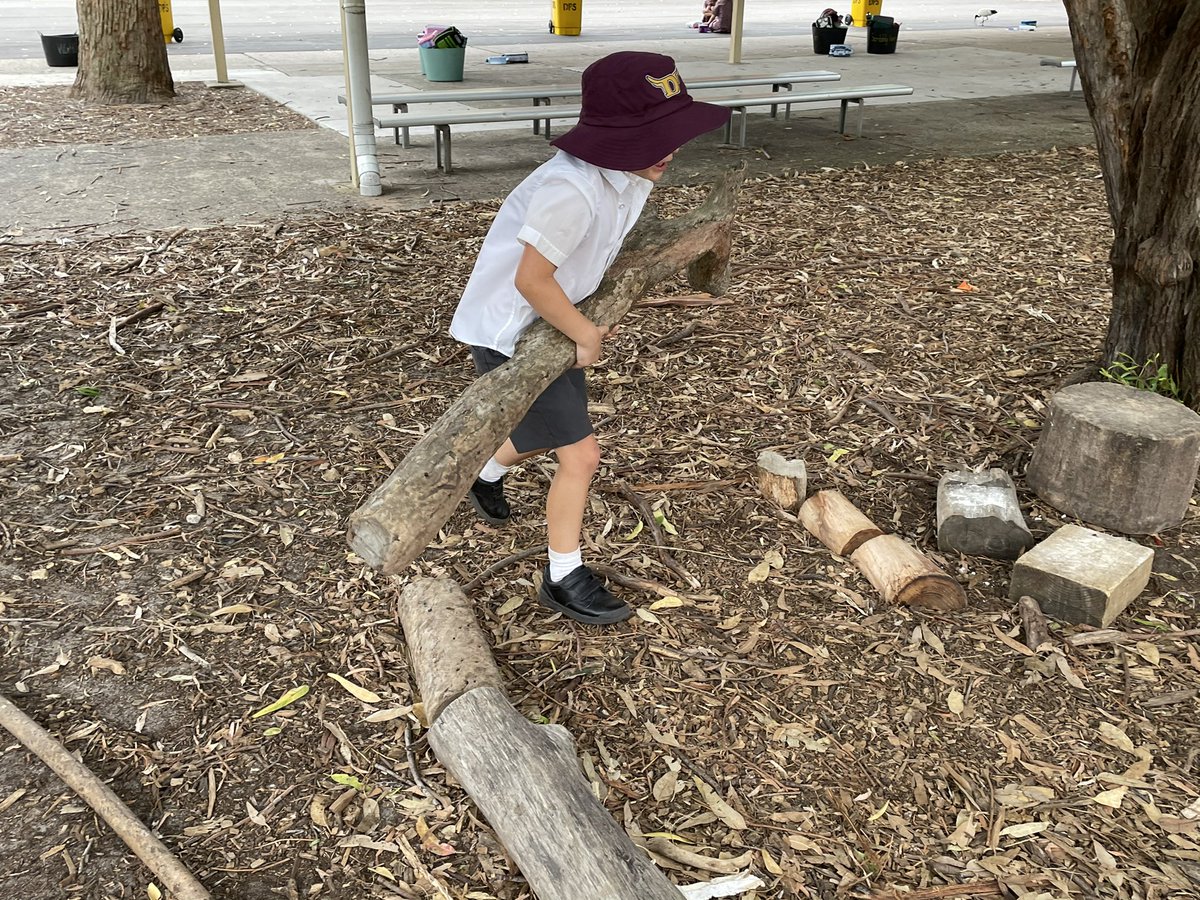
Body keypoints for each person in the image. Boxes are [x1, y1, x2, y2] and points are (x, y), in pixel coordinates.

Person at [449, 51, 730, 626]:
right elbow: (531, 278)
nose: (670, 149)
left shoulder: (629, 175)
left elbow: (592, 254)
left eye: (672, 133)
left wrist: (592, 308)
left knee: (545, 430)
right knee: (581, 453)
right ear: (614, 137)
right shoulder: (570, 190)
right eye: (654, 136)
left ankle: (485, 473)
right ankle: (563, 575)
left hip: (551, 321)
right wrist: (584, 333)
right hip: (515, 331)